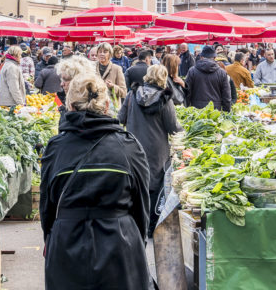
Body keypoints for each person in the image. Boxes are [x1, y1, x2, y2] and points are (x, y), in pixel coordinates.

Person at [40, 69, 150, 289]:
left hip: (67, 243)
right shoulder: (128, 147)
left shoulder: (56, 148)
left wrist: (52, 241)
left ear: (70, 106)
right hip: (120, 244)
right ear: (107, 107)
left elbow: (47, 208)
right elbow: (142, 207)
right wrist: (137, 242)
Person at [118, 63, 180, 239]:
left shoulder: (131, 95)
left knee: (134, 183)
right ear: (163, 78)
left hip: (131, 146)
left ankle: (133, 224)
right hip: (157, 150)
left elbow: (120, 118)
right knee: (154, 186)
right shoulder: (165, 99)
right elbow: (173, 127)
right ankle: (150, 225)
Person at [184, 45, 233, 111]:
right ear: (215, 57)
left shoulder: (192, 71)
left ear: (201, 57)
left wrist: (187, 107)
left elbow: (187, 92)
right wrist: (226, 112)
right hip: (215, 111)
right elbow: (226, 96)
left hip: (196, 110)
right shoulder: (222, 73)